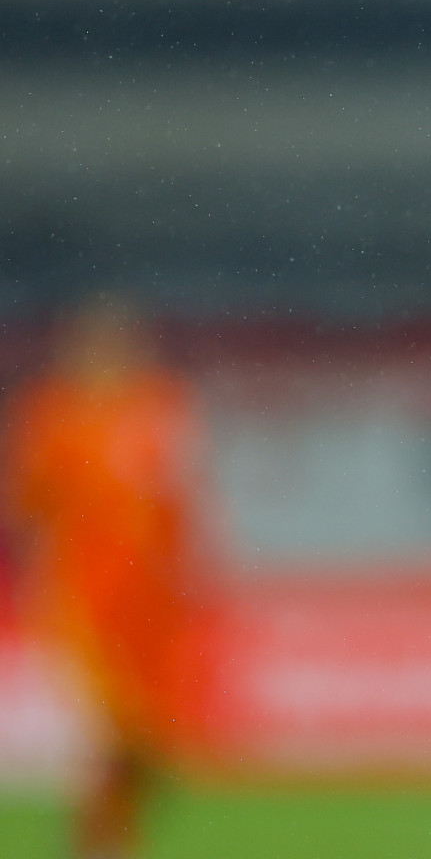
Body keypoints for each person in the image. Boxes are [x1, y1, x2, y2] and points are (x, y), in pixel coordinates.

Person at [0, 296, 206, 859]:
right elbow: (27, 509)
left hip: (150, 605)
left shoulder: (161, 405)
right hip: (82, 600)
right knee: (100, 737)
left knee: (149, 746)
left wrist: (187, 579)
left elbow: (180, 504)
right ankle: (98, 844)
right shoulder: (51, 414)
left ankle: (110, 835)